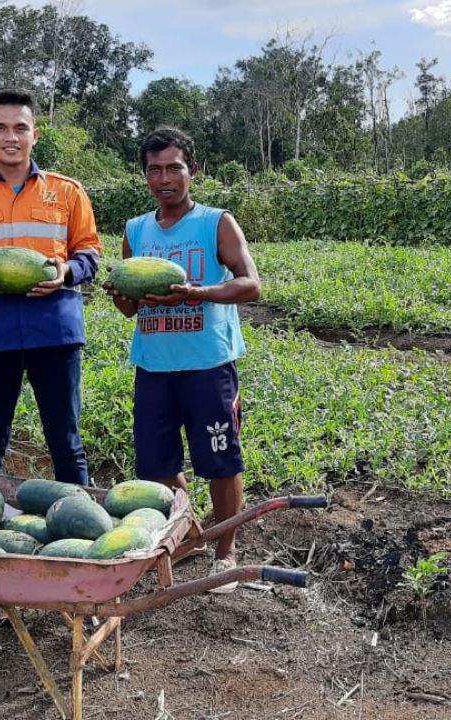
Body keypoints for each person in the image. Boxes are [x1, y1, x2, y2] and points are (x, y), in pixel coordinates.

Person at [105, 126, 260, 592]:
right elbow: (130, 307)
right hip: (153, 365)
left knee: (220, 459)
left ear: (193, 170)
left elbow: (250, 284)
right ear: (145, 176)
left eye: (174, 167)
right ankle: (191, 533)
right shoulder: (135, 230)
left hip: (208, 365)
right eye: (155, 170)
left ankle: (225, 551)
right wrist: (120, 294)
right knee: (156, 466)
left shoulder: (216, 222)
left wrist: (197, 293)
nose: (164, 178)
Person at [0, 87, 101, 486]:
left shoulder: (67, 191)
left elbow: (91, 254)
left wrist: (65, 273)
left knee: (66, 443)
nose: (11, 137)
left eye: (20, 128)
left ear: (35, 134)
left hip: (55, 331)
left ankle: (77, 534)